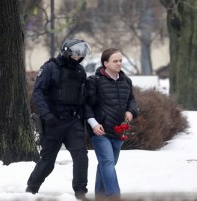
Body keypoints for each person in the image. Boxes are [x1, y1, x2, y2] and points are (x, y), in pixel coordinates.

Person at [26, 39, 91, 200]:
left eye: (80, 56)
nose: (78, 58)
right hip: (53, 121)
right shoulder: (50, 68)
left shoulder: (80, 71)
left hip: (72, 121)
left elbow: (83, 97)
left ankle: (81, 193)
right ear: (67, 52)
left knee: (81, 156)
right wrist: (47, 116)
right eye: (76, 55)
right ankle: (31, 189)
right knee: (48, 162)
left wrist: (84, 121)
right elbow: (38, 93)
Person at [84, 48, 139, 200]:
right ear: (105, 63)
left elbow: (132, 100)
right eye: (115, 61)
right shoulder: (94, 81)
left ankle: (100, 196)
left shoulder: (126, 81)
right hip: (99, 130)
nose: (119, 63)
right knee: (107, 161)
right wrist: (93, 124)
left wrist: (131, 112)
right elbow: (86, 105)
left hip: (119, 130)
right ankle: (114, 196)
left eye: (120, 60)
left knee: (107, 163)